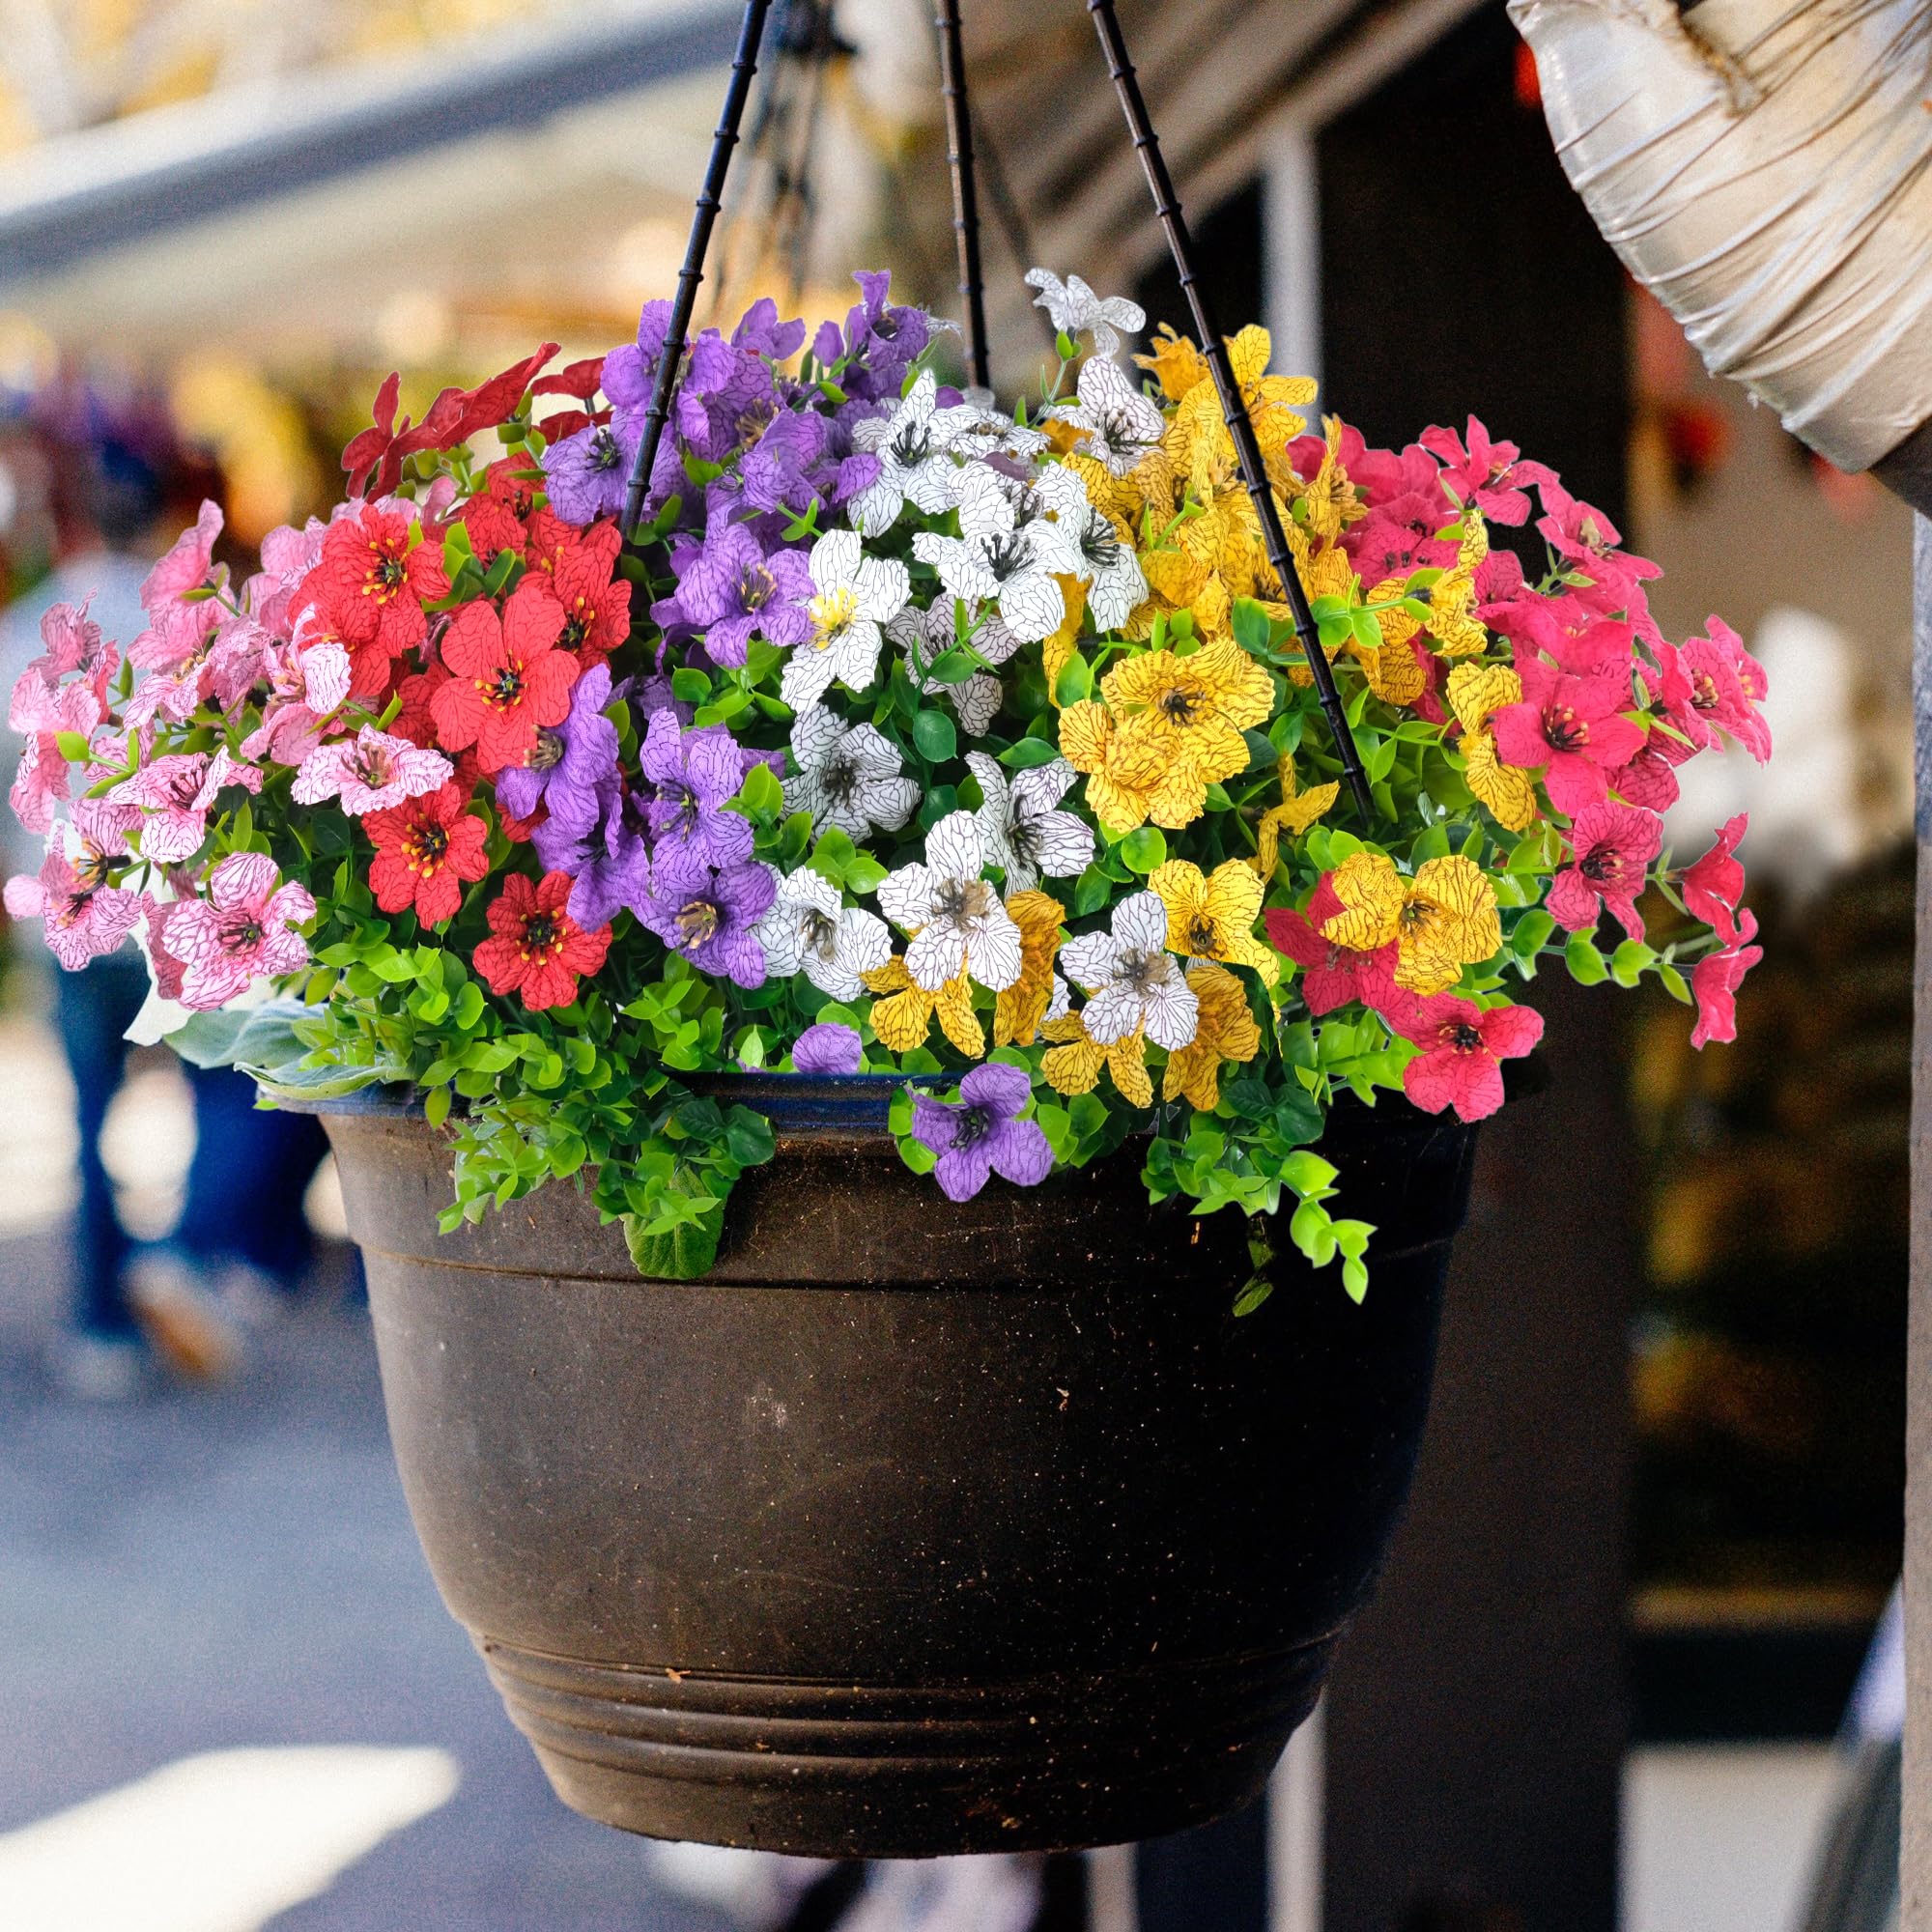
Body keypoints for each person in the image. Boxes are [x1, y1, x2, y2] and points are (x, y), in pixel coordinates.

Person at [1, 414, 329, 1396]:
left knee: (92, 1120)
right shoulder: (192, 614)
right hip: (169, 904)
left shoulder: (28, 625)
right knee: (235, 1084)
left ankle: (105, 1328)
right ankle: (187, 1245)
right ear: (168, 507)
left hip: (62, 904)